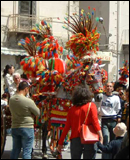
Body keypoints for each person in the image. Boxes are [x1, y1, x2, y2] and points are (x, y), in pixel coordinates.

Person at [57, 85, 103, 159]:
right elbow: (95, 122)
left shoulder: (72, 109)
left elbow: (66, 127)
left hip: (75, 138)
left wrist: (60, 142)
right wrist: (100, 135)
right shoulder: (91, 106)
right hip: (89, 138)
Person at [9, 81, 40, 159]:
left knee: (15, 150)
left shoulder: (11, 99)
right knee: (27, 152)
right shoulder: (28, 101)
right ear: (26, 89)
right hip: (27, 127)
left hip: (15, 126)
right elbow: (37, 112)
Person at [99, 82, 121, 159]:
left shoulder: (116, 98)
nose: (109, 88)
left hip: (113, 120)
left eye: (110, 86)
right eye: (107, 86)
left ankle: (112, 157)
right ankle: (105, 157)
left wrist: (118, 119)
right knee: (105, 137)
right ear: (105, 88)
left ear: (112, 88)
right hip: (104, 120)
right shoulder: (101, 97)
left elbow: (118, 109)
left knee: (113, 140)